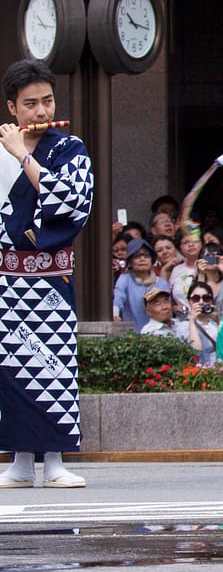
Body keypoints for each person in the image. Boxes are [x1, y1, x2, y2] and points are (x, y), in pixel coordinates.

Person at [0, 61, 94, 489]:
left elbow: (69, 203)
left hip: (51, 276)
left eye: (47, 101)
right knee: (13, 370)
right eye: (30, 104)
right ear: (12, 108)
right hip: (8, 278)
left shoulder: (69, 147)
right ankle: (19, 462)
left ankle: (54, 460)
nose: (40, 111)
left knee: (54, 367)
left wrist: (23, 155)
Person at [112, 238, 169, 329]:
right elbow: (118, 297)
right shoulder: (125, 279)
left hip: (159, 335)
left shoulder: (162, 283)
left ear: (152, 260)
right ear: (130, 261)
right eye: (137, 256)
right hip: (132, 336)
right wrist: (115, 312)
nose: (142, 259)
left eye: (146, 255)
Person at [184, 281, 222, 365]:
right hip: (202, 371)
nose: (201, 302)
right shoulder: (184, 326)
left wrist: (217, 319)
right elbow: (196, 351)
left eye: (206, 298)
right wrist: (192, 321)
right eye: (196, 298)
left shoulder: (214, 324)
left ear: (211, 301)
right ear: (189, 301)